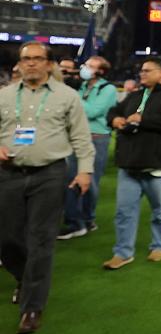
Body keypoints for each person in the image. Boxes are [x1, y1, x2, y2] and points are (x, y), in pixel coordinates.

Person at [0, 42, 94, 334]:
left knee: (41, 239)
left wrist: (85, 170)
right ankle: (23, 278)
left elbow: (80, 136)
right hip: (9, 174)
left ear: (49, 63)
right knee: (8, 238)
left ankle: (32, 307)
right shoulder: (3, 95)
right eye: (25, 59)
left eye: (37, 59)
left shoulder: (67, 96)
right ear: (18, 64)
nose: (30, 63)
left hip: (50, 174)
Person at [103, 56, 161, 270]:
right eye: (141, 70)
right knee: (124, 211)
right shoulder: (134, 95)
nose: (142, 73)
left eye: (148, 70)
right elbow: (113, 111)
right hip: (129, 164)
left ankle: (159, 245)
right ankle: (122, 252)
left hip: (159, 164)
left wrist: (142, 120)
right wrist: (114, 120)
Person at [58, 56, 118, 239]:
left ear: (101, 71)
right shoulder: (83, 87)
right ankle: (76, 221)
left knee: (90, 182)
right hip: (78, 137)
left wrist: (70, 94)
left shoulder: (108, 89)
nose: (84, 68)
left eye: (90, 66)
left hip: (97, 138)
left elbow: (93, 111)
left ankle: (87, 219)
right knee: (71, 180)